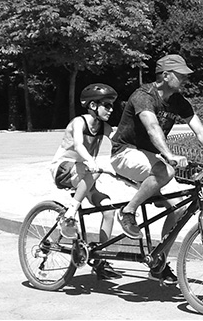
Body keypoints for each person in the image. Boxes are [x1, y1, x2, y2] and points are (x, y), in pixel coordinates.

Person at [110, 53, 203, 285]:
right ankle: (127, 212)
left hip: (149, 157)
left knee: (178, 208)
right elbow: (152, 126)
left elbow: (200, 131)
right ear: (166, 76)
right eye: (181, 75)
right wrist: (169, 155)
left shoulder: (178, 101)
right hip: (124, 152)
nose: (185, 80)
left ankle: (158, 262)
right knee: (166, 171)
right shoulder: (144, 95)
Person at [49, 82, 121, 280]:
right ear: (92, 105)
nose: (111, 109)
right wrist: (91, 161)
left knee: (109, 209)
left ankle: (100, 260)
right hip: (64, 169)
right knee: (96, 169)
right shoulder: (79, 122)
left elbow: (119, 142)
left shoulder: (104, 127)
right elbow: (79, 146)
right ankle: (70, 213)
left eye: (112, 105)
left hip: (85, 176)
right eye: (106, 105)